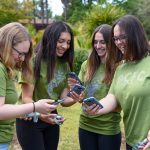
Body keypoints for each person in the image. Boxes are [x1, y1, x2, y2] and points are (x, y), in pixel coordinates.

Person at [83, 15, 150, 150]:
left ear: (135, 35)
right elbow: (112, 97)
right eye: (116, 39)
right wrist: (97, 107)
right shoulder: (121, 68)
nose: (118, 42)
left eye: (123, 37)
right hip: (134, 142)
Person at [16, 21, 79, 150]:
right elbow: (26, 98)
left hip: (51, 117)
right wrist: (41, 115)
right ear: (51, 38)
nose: (65, 46)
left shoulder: (65, 65)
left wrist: (75, 98)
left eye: (68, 42)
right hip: (31, 117)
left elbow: (63, 99)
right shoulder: (33, 61)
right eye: (61, 41)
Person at [0, 22, 57, 150]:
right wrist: (35, 106)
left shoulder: (6, 68)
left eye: (25, 54)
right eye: (20, 53)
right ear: (6, 44)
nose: (22, 58)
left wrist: (27, 112)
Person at [68, 24, 121, 150]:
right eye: (95, 42)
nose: (98, 46)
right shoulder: (87, 65)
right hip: (86, 125)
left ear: (111, 43)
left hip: (108, 128)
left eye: (102, 42)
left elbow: (120, 101)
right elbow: (82, 98)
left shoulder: (119, 67)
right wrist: (77, 94)